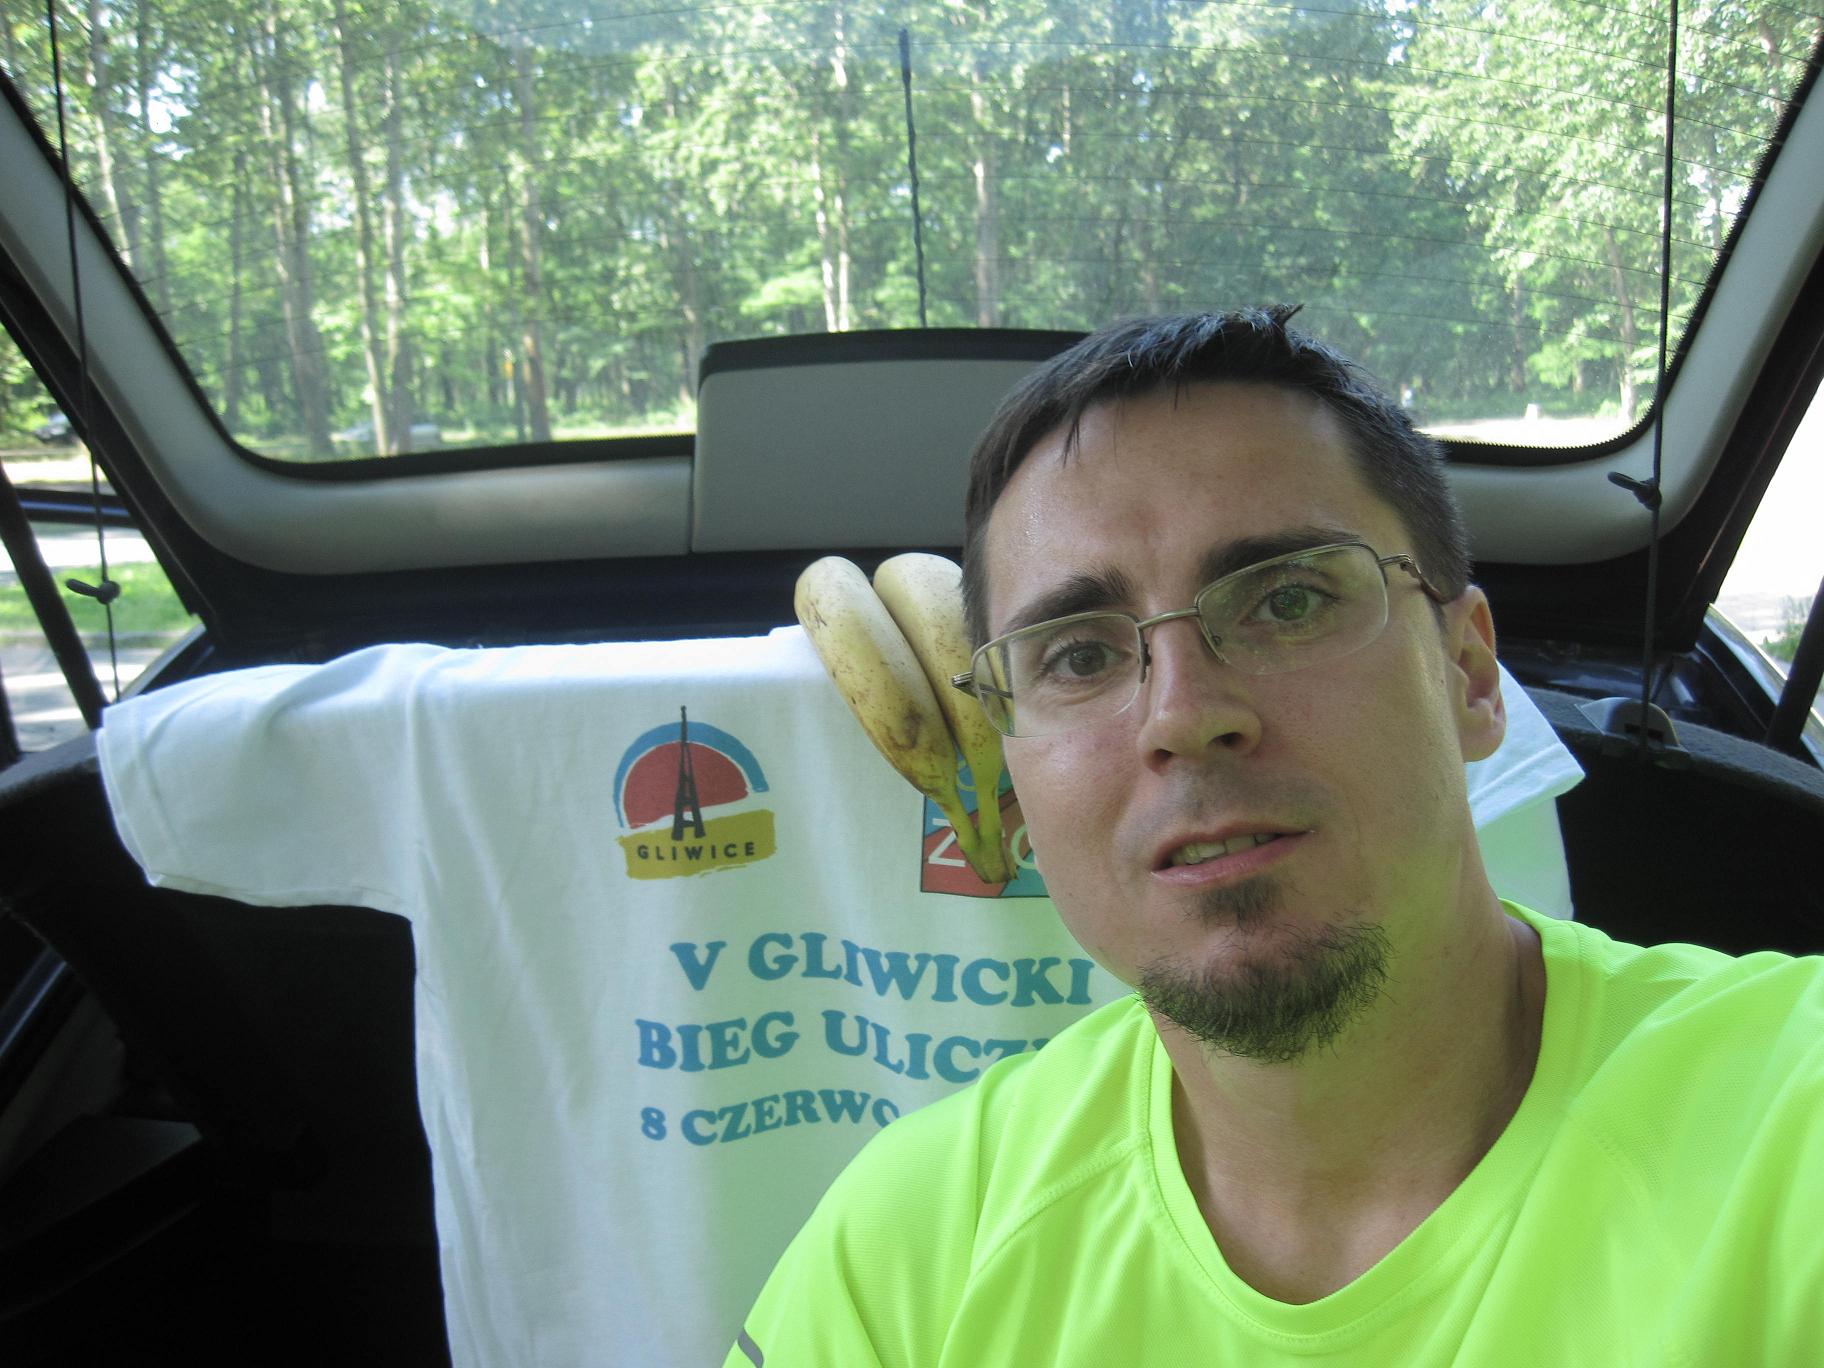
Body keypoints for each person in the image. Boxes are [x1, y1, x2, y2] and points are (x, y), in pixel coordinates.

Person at [727, 308, 1824, 1365]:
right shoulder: (909, 1253)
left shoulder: (1791, 1122)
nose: (1182, 714)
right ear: (1012, 779)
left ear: (1470, 675)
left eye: (1288, 602)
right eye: (1078, 656)